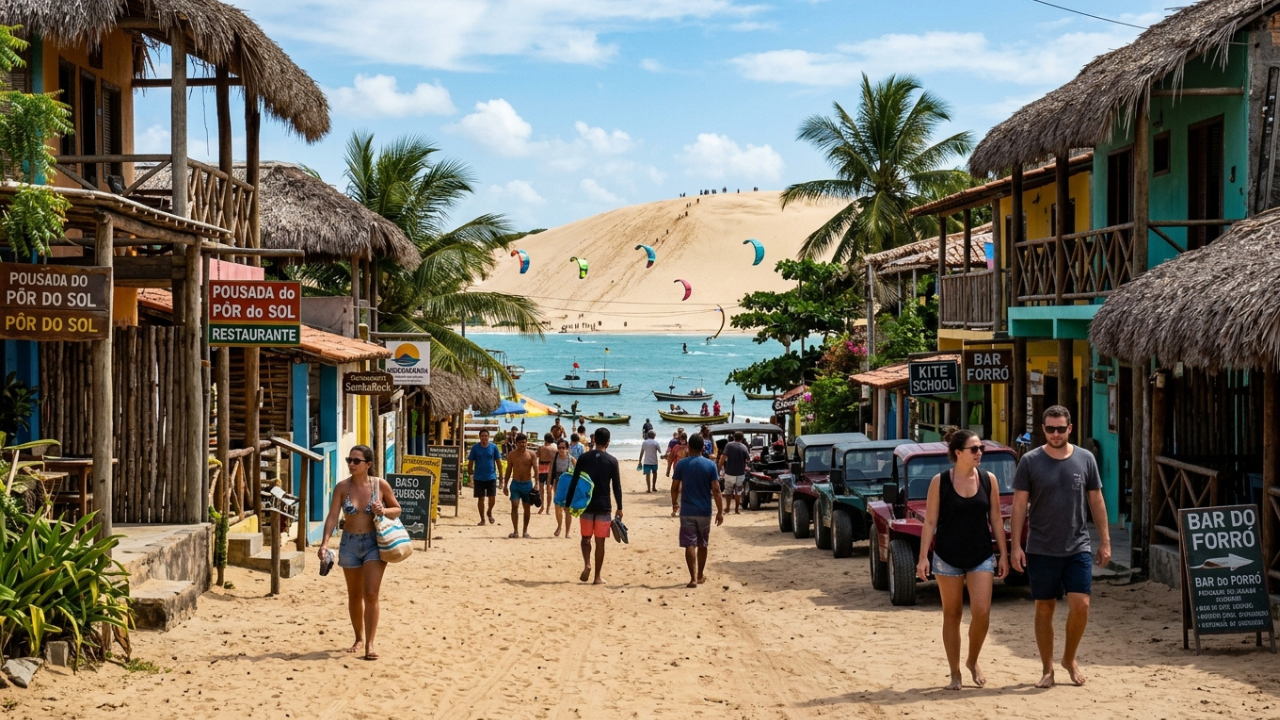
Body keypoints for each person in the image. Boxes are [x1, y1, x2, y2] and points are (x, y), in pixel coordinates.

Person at [1011, 405, 1109, 689]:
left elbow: (1097, 501)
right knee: (1045, 608)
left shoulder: (1085, 458)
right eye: (1050, 429)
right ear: (1043, 430)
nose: (1056, 433)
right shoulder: (1029, 461)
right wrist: (1016, 546)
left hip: (1077, 545)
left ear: (1070, 428)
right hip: (1041, 547)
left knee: (1082, 604)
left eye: (1061, 429)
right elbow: (1019, 505)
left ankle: (1069, 658)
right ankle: (1047, 668)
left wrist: (1105, 541)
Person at [915, 429, 1008, 691]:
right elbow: (930, 521)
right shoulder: (940, 481)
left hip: (981, 555)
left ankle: (972, 660)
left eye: (981, 449)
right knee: (952, 614)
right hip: (947, 557)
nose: (979, 453)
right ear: (958, 453)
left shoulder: (989, 480)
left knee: (982, 613)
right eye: (974, 449)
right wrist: (923, 557)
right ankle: (954, 672)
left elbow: (997, 520)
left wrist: (1004, 555)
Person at [318, 444, 401, 661]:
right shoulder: (342, 488)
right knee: (354, 595)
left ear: (368, 464)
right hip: (350, 544)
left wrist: (383, 510)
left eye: (356, 461)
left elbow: (397, 509)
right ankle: (358, 638)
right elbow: (333, 517)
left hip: (374, 543)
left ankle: (371, 644)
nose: (351, 464)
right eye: (349, 460)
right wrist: (325, 543)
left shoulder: (379, 485)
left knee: (371, 593)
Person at [564, 428, 623, 584]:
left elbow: (574, 481)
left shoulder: (583, 458)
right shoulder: (612, 461)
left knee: (585, 538)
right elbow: (616, 487)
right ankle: (597, 577)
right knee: (600, 541)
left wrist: (568, 503)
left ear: (594, 440)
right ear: (608, 442)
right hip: (604, 506)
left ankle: (587, 564)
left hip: (586, 505)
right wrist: (620, 507)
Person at [671, 435, 725, 588]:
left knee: (689, 543)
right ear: (703, 448)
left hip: (687, 510)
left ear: (688, 446)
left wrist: (674, 503)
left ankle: (693, 578)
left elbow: (674, 487)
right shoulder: (710, 465)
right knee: (702, 544)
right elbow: (716, 489)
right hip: (704, 511)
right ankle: (700, 575)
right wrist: (720, 511)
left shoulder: (681, 464)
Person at [502, 433, 539, 538]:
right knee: (514, 505)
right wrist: (505, 484)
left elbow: (536, 469)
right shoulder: (512, 455)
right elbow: (509, 470)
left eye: (524, 442)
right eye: (520, 442)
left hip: (527, 484)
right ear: (516, 443)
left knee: (527, 508)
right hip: (515, 484)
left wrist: (537, 483)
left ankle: (525, 531)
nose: (523, 444)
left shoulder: (531, 454)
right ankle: (515, 531)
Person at [467, 429, 502, 525]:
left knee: (492, 498)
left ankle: (489, 511)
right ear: (479, 437)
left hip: (491, 476)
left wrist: (501, 478)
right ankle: (482, 519)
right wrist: (470, 475)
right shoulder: (475, 448)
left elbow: (499, 463)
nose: (484, 438)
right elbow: (470, 462)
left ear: (489, 437)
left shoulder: (493, 447)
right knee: (480, 499)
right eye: (482, 436)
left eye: (486, 436)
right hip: (478, 477)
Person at [718, 431, 750, 514]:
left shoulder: (729, 445)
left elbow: (723, 457)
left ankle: (727, 508)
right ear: (742, 439)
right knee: (738, 492)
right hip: (740, 473)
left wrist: (719, 468)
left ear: (734, 437)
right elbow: (748, 459)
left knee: (728, 491)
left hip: (729, 472)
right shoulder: (744, 447)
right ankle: (736, 509)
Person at [552, 439, 574, 537]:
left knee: (568, 509)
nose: (561, 450)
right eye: (559, 448)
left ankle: (567, 531)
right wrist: (548, 484)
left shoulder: (571, 459)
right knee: (557, 507)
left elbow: (579, 472)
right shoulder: (555, 458)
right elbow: (550, 473)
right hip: (558, 485)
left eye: (563, 448)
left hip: (569, 487)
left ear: (567, 448)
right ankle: (559, 526)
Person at [536, 433, 558, 515]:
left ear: (545, 439)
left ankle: (542, 506)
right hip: (551, 469)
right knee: (549, 490)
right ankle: (548, 509)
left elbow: (537, 456)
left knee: (541, 489)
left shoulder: (541, 448)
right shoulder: (555, 449)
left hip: (542, 468)